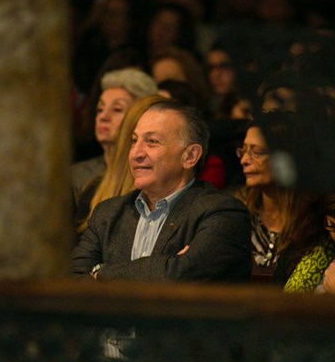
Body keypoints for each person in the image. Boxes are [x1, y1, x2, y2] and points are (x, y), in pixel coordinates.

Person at [71, 100, 251, 282]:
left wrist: (100, 272)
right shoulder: (107, 214)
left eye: (152, 142)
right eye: (134, 141)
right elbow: (75, 279)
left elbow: (177, 277)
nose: (136, 153)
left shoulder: (223, 214)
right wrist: (166, 265)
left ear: (190, 156)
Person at [235, 111, 315, 283]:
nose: (244, 160)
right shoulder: (235, 211)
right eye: (243, 150)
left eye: (257, 152)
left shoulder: (313, 217)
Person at [75, 94, 168, 233]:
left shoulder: (195, 205)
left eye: (153, 141)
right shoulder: (92, 192)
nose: (139, 152)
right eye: (134, 140)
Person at [71, 68, 158, 203]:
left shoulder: (150, 175)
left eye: (117, 109)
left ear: (141, 116)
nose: (103, 117)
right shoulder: (76, 176)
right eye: (100, 109)